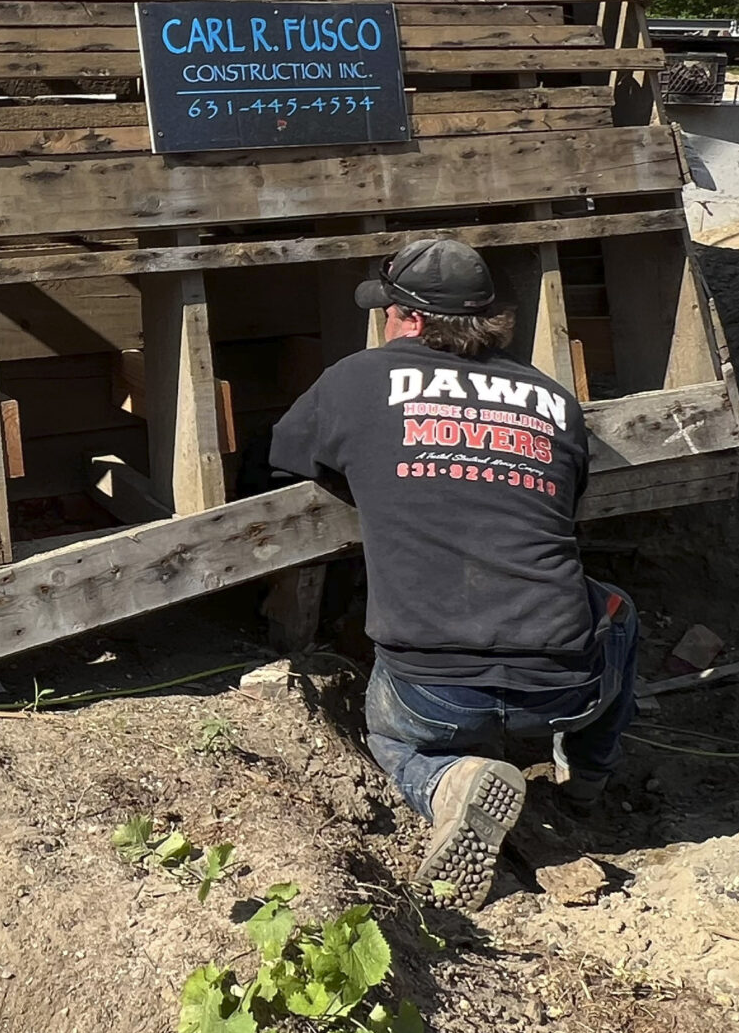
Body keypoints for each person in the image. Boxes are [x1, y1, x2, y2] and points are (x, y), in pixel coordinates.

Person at [268, 238, 638, 909]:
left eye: (386, 311)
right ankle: (586, 783)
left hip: (432, 690)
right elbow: (565, 503)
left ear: (409, 319)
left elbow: (286, 457)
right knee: (618, 609)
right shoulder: (553, 399)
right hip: (564, 683)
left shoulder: (357, 380)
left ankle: (449, 781)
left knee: (385, 735)